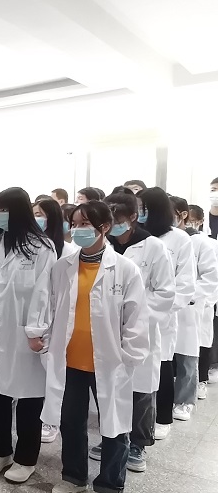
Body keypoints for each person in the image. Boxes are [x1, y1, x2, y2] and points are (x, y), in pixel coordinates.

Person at [43, 201, 149, 493]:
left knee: (113, 426)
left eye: (85, 224)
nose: (77, 230)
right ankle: (74, 476)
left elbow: (136, 318)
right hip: (70, 361)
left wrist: (128, 357)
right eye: (74, 223)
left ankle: (109, 486)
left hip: (110, 363)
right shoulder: (63, 266)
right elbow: (51, 306)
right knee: (71, 422)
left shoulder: (125, 269)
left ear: (104, 227)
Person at [0, 187, 56, 484]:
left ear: (19, 212)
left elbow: (44, 292)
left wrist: (36, 330)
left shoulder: (41, 247)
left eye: (4, 210)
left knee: (29, 399)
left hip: (25, 336)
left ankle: (26, 458)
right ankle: (1, 451)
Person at [90, 193, 174, 473]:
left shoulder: (154, 247)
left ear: (133, 218)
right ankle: (112, 438)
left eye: (119, 219)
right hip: (106, 330)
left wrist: (133, 313)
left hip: (139, 329)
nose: (113, 225)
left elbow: (165, 292)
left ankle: (138, 443)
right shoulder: (103, 246)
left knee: (140, 390)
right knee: (109, 388)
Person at [139, 188, 195, 440]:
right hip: (130, 316)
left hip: (161, 317)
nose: (139, 213)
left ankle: (162, 417)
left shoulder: (179, 239)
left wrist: (155, 309)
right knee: (136, 371)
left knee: (161, 365)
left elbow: (185, 284)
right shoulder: (135, 236)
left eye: (143, 208)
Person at [171, 196, 218, 411]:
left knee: (187, 356)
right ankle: (168, 398)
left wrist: (187, 295)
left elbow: (210, 277)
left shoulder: (202, 242)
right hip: (167, 306)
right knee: (167, 357)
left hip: (190, 306)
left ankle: (184, 401)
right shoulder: (162, 239)